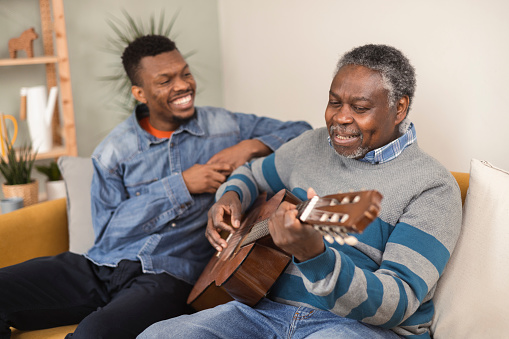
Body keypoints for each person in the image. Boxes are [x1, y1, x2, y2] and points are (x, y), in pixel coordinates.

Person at [138, 44, 462, 339]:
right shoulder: (311, 145)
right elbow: (251, 174)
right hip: (265, 313)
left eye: (360, 108)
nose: (340, 118)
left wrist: (316, 257)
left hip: (358, 328)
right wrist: (230, 196)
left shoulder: (431, 186)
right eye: (334, 102)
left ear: (400, 108)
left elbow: (397, 302)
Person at [0, 35, 311, 339]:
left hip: (168, 276)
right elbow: (110, 231)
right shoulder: (113, 151)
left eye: (185, 73)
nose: (183, 86)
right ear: (140, 92)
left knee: (95, 332)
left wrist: (249, 146)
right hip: (100, 265)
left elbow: (301, 131)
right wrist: (181, 184)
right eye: (165, 81)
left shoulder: (225, 126)